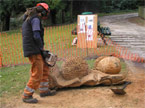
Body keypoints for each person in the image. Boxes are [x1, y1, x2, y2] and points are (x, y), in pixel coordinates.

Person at [22, 3, 56, 103]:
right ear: (44, 12)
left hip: (33, 48)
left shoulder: (30, 18)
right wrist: (42, 50)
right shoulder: (35, 19)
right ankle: (27, 95)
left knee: (45, 67)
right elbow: (36, 35)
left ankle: (44, 90)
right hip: (34, 49)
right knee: (37, 72)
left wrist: (41, 49)